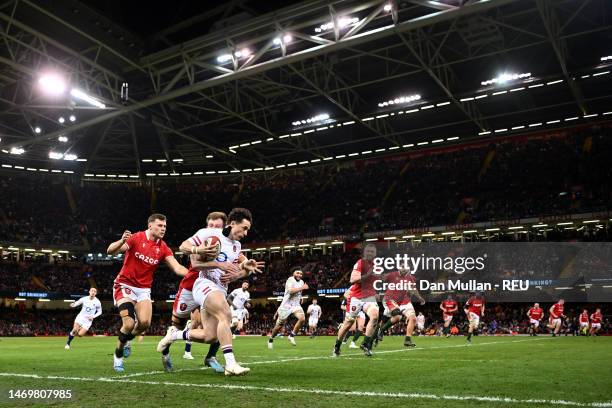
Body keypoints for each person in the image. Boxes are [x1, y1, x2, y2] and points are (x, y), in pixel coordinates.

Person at [157, 208, 264, 376]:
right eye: (244, 228)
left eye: (248, 230)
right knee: (225, 314)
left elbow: (238, 273)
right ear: (233, 223)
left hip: (220, 290)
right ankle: (231, 364)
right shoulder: (209, 234)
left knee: (210, 336)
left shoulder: (237, 246)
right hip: (203, 283)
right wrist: (201, 253)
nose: (246, 233)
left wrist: (244, 271)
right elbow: (186, 249)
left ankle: (174, 335)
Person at [107, 213, 190, 372]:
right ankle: (118, 355)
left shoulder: (163, 247)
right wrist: (122, 241)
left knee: (144, 323)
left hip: (144, 289)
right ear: (150, 225)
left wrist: (192, 274)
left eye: (165, 226)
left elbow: (177, 267)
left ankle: (127, 340)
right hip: (125, 284)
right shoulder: (136, 238)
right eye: (160, 225)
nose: (163, 228)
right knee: (129, 323)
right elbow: (110, 251)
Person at [161, 212, 227, 372]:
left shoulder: (227, 242)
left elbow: (239, 257)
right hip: (190, 287)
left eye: (218, 227)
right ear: (206, 226)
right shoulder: (201, 239)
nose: (214, 229)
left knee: (222, 319)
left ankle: (211, 357)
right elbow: (186, 250)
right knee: (176, 325)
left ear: (224, 227)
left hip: (212, 289)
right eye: (211, 226)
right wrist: (198, 250)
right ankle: (165, 353)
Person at [333, 244, 379, 357]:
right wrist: (368, 275)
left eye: (372, 252)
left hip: (368, 296)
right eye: (368, 251)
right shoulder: (360, 263)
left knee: (374, 316)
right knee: (348, 324)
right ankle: (337, 345)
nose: (370, 253)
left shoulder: (375, 264)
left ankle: (366, 344)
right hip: (356, 297)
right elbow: (352, 279)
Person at [268, 267, 308, 349]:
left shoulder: (301, 282)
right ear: (293, 273)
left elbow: (299, 292)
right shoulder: (290, 280)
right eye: (297, 273)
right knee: (279, 326)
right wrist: (302, 288)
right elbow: (290, 291)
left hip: (295, 305)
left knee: (302, 319)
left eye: (301, 274)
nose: (299, 275)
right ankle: (271, 339)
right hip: (286, 305)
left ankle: (292, 335)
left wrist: (301, 297)